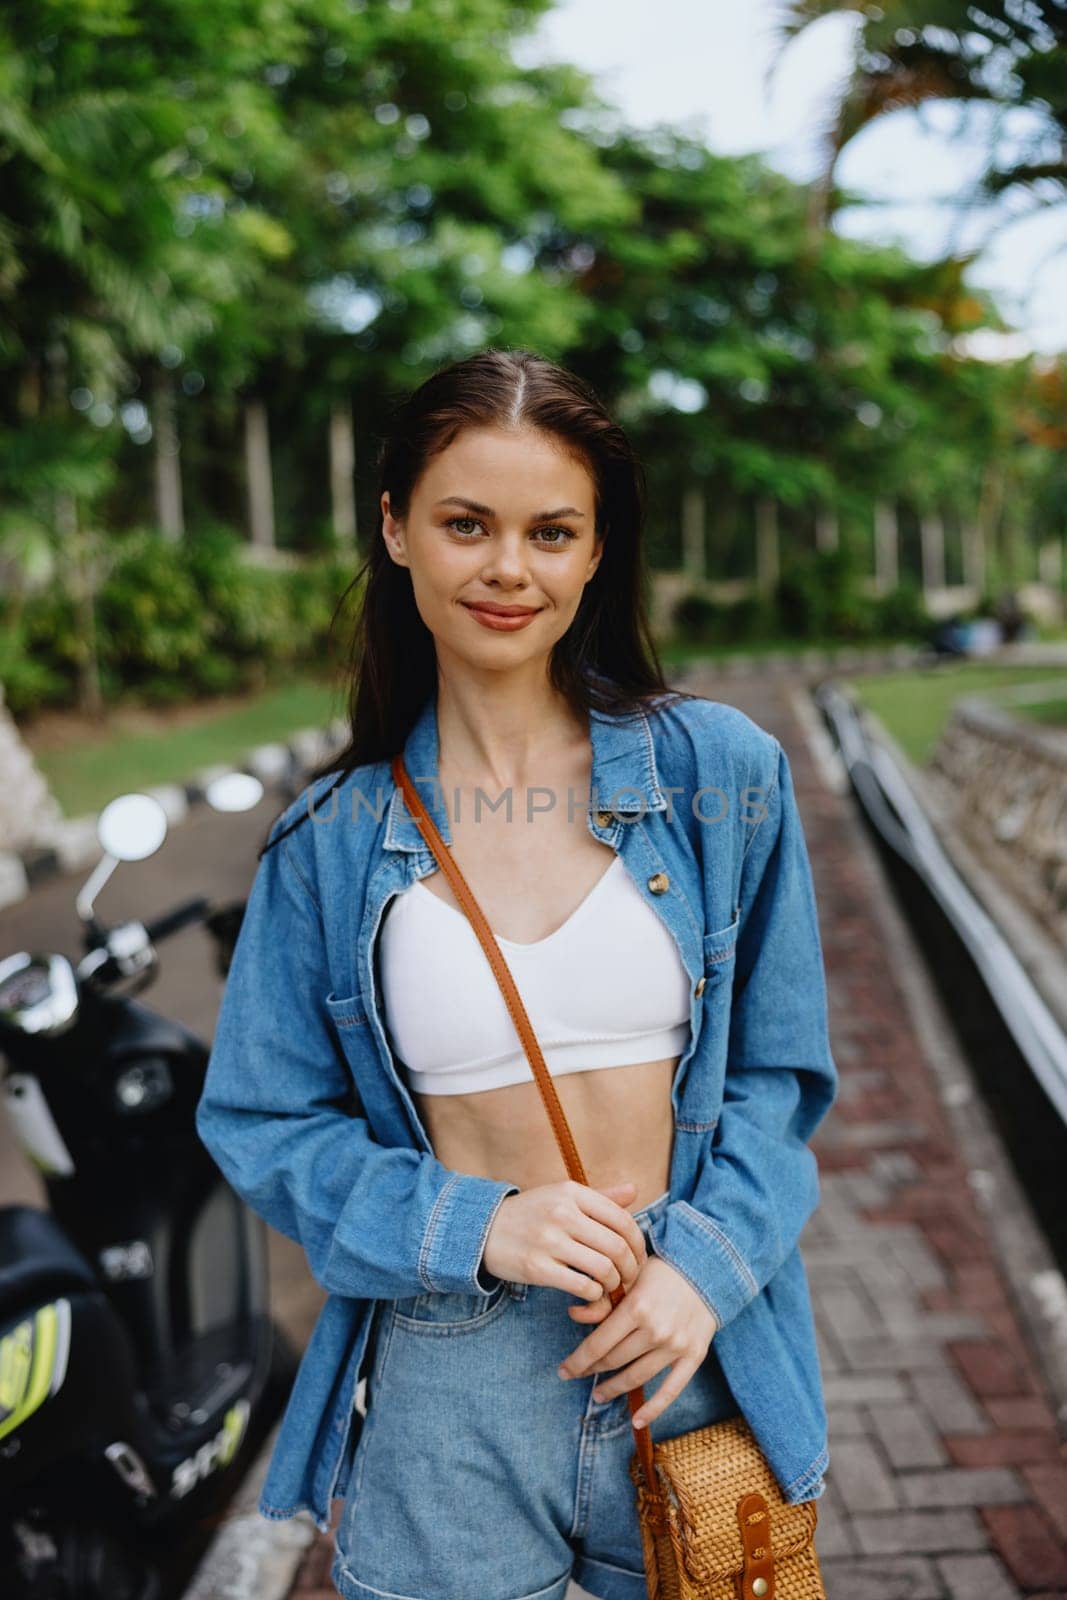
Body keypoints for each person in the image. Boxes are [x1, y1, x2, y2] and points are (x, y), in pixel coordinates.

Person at [195, 347, 839, 1600]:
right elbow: (261, 1120)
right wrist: (474, 1221)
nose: (507, 568)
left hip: (688, 1348)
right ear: (395, 531)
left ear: (596, 551)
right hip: (452, 1381)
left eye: (551, 530)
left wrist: (701, 1267)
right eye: (464, 524)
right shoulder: (328, 843)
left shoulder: (719, 776)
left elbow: (779, 1073)